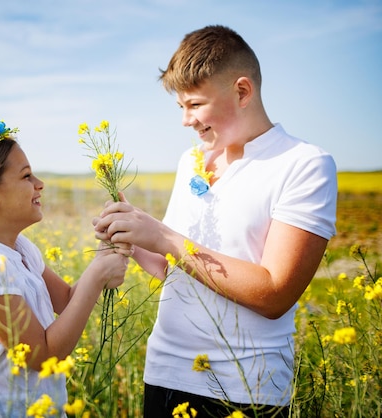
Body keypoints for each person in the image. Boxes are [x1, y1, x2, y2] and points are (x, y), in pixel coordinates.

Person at [93, 25, 337, 417]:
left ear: (242, 91)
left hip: (245, 388)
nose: (186, 121)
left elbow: (275, 293)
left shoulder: (305, 164)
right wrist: (135, 236)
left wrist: (165, 237)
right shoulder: (190, 162)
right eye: (181, 107)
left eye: (195, 105)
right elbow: (173, 269)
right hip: (166, 374)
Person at [0, 116, 129, 417]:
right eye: (26, 176)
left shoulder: (21, 250)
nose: (39, 185)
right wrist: (96, 278)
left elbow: (68, 300)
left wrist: (104, 255)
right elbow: (41, 356)